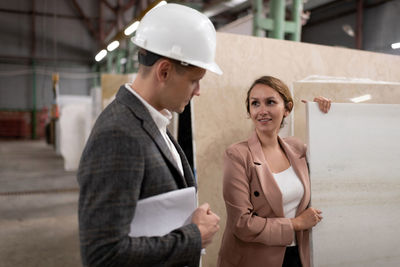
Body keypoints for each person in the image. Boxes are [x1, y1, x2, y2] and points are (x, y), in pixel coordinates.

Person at [77, 4, 221, 267]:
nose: (198, 91)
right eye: (194, 80)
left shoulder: (151, 122)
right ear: (164, 71)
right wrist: (194, 236)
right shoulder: (118, 135)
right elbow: (102, 254)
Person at [217, 76, 331, 267]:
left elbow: (334, 164)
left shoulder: (297, 149)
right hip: (255, 259)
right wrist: (296, 224)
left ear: (287, 108)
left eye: (270, 102)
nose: (262, 111)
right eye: (255, 104)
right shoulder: (237, 155)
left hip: (298, 255)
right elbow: (242, 224)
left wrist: (324, 117)